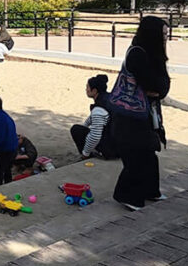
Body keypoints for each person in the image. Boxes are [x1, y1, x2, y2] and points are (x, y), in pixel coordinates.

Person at [112, 16, 171, 211]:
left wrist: (158, 88)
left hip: (146, 111)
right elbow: (153, 84)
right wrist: (157, 88)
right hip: (130, 115)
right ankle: (126, 195)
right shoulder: (138, 53)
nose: (165, 38)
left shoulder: (154, 54)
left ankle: (150, 191)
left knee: (149, 152)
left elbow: (161, 87)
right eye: (162, 34)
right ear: (152, 34)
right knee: (136, 154)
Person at [71, 74, 117, 160]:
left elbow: (95, 136)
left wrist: (85, 153)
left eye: (88, 87)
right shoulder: (109, 98)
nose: (86, 89)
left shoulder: (98, 110)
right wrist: (84, 126)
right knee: (81, 129)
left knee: (76, 130)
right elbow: (91, 118)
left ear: (94, 90)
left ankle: (88, 156)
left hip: (111, 149)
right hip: (119, 142)